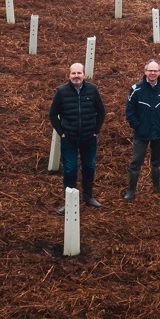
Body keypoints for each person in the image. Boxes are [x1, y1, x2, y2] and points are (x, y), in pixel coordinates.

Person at [49, 62, 106, 212]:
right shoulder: (62, 91)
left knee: (89, 166)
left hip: (89, 137)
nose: (76, 76)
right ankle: (69, 202)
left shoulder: (92, 90)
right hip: (69, 138)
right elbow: (53, 114)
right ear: (69, 75)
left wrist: (96, 130)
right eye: (73, 73)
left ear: (84, 75)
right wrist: (61, 132)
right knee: (70, 169)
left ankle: (88, 196)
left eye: (79, 73)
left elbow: (101, 112)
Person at [124, 59, 160, 199]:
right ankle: (131, 190)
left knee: (157, 162)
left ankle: (157, 186)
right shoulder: (136, 89)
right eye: (150, 70)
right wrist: (136, 125)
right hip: (141, 134)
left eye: (155, 71)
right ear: (145, 71)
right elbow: (129, 111)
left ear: (159, 72)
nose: (152, 73)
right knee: (136, 162)